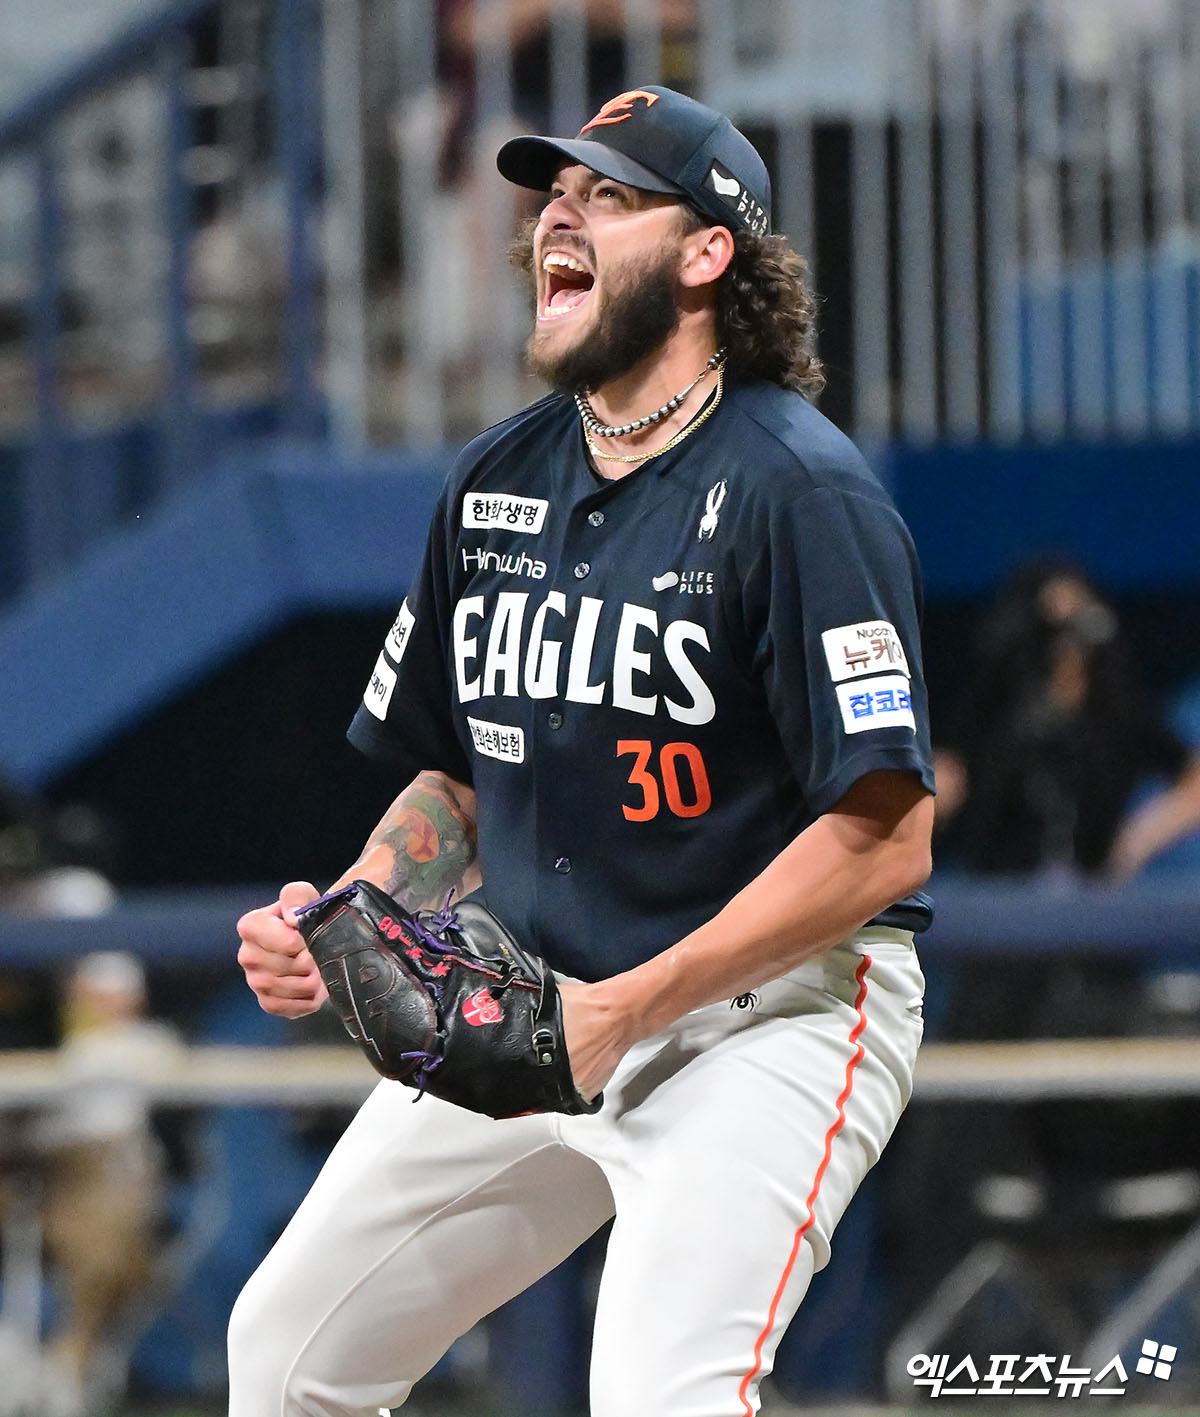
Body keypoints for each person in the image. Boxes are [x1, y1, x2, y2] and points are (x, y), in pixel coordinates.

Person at [229, 85, 935, 1416]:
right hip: (543, 1002)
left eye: (611, 195)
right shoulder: (496, 481)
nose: (559, 214)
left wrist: (628, 1010)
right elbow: (460, 773)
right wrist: (349, 913)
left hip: (766, 1022)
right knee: (284, 1356)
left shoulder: (802, 491)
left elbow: (886, 838)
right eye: (556, 192)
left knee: (663, 1396)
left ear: (708, 253)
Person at [933, 557, 1200, 880]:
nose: (1066, 651)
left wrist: (1135, 842)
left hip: (1093, 894)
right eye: (1052, 636)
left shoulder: (1119, 713)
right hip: (997, 891)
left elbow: (1192, 777)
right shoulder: (992, 712)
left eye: (1079, 631)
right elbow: (944, 777)